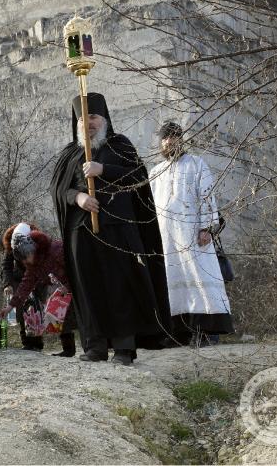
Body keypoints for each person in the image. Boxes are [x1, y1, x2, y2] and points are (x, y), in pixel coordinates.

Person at [49, 93, 170, 365]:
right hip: (81, 232)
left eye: (93, 117)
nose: (88, 123)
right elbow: (58, 189)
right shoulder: (70, 153)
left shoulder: (120, 145)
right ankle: (95, 346)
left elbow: (138, 177)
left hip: (117, 231)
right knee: (88, 287)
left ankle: (124, 347)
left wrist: (103, 169)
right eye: (82, 118)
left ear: (104, 119)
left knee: (119, 286)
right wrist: (78, 197)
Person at [149, 121, 233, 347]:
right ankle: (178, 333)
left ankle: (205, 332)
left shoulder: (196, 164)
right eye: (165, 137)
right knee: (172, 281)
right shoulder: (155, 172)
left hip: (193, 236)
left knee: (199, 278)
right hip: (167, 238)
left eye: (174, 136)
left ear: (181, 139)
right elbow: (150, 208)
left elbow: (206, 195)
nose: (169, 141)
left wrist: (206, 227)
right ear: (161, 142)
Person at [2, 227, 78, 357]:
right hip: (62, 290)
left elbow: (76, 269)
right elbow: (25, 285)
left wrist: (68, 286)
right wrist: (10, 306)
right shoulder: (33, 265)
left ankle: (95, 347)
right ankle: (68, 350)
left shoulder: (56, 250)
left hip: (78, 287)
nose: (25, 262)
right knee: (59, 312)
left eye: (25, 259)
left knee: (84, 316)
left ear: (31, 251)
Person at [0, 222, 46, 352]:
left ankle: (37, 342)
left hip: (36, 276)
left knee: (36, 309)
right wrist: (8, 284)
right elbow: (6, 266)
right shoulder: (11, 244)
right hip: (19, 278)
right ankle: (26, 342)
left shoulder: (38, 242)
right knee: (21, 309)